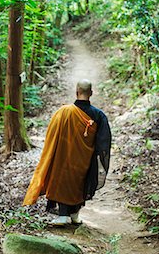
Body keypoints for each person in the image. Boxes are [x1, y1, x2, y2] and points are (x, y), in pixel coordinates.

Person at [23, 79, 112, 226]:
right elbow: (104, 142)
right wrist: (98, 157)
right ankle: (75, 214)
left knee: (62, 181)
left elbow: (51, 136)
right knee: (81, 182)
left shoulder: (63, 112)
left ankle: (64, 215)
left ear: (76, 92)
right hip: (85, 159)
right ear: (91, 93)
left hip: (63, 159)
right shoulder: (99, 115)